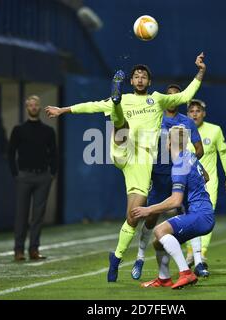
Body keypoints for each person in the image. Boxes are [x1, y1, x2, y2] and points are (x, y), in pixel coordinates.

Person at [45, 52, 206, 282]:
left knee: (133, 216)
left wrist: (200, 70)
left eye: (143, 77)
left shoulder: (158, 99)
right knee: (120, 122)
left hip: (142, 161)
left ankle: (117, 257)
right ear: (131, 82)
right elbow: (91, 106)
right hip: (123, 149)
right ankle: (116, 101)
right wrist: (63, 110)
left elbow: (186, 95)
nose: (140, 79)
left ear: (149, 82)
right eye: (136, 76)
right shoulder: (128, 98)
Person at [131, 84, 207, 280]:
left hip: (179, 176)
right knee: (150, 219)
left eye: (176, 96)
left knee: (188, 214)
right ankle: (139, 257)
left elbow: (199, 149)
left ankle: (198, 262)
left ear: (180, 99)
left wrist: (188, 163)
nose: (172, 98)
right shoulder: (156, 117)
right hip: (158, 176)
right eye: (169, 95)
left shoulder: (187, 122)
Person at [132, 125, 215, 289]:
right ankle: (164, 279)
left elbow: (175, 201)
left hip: (200, 215)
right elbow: (206, 176)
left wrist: (148, 209)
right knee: (158, 242)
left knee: (159, 230)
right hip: (203, 212)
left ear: (169, 144)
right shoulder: (190, 156)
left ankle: (186, 273)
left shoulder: (178, 166)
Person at [186, 99, 226, 267]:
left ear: (204, 113)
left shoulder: (215, 130)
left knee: (206, 216)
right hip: (188, 182)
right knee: (189, 216)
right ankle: (191, 252)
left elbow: (224, 154)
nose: (194, 114)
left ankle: (202, 253)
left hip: (209, 182)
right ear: (187, 114)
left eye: (198, 110)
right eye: (191, 111)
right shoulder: (181, 131)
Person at [8, 95, 57, 261]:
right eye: (31, 105)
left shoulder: (48, 131)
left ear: (39, 107)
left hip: (43, 177)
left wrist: (52, 173)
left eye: (36, 104)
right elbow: (10, 153)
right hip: (24, 176)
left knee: (38, 216)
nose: (34, 107)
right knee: (21, 215)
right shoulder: (18, 130)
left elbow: (54, 154)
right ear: (27, 107)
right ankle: (18, 250)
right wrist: (16, 173)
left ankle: (34, 249)